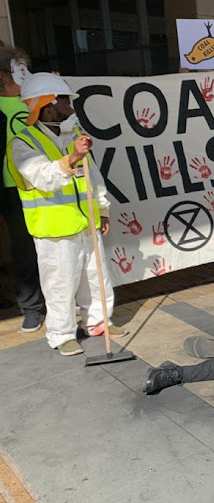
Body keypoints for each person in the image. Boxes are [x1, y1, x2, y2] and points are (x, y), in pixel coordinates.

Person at [7, 73, 127, 355]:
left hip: (86, 223)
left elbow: (93, 177)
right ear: (46, 106)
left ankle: (98, 322)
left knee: (97, 278)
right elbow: (43, 177)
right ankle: (62, 335)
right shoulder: (23, 144)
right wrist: (72, 158)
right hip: (55, 229)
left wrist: (102, 209)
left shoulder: (72, 138)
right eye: (64, 101)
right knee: (60, 284)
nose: (71, 108)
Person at [0, 46, 44, 331]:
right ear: (5, 75)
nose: (24, 75)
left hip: (33, 185)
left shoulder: (36, 103)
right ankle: (30, 306)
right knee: (22, 248)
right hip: (8, 188)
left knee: (35, 247)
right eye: (19, 69)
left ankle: (41, 305)